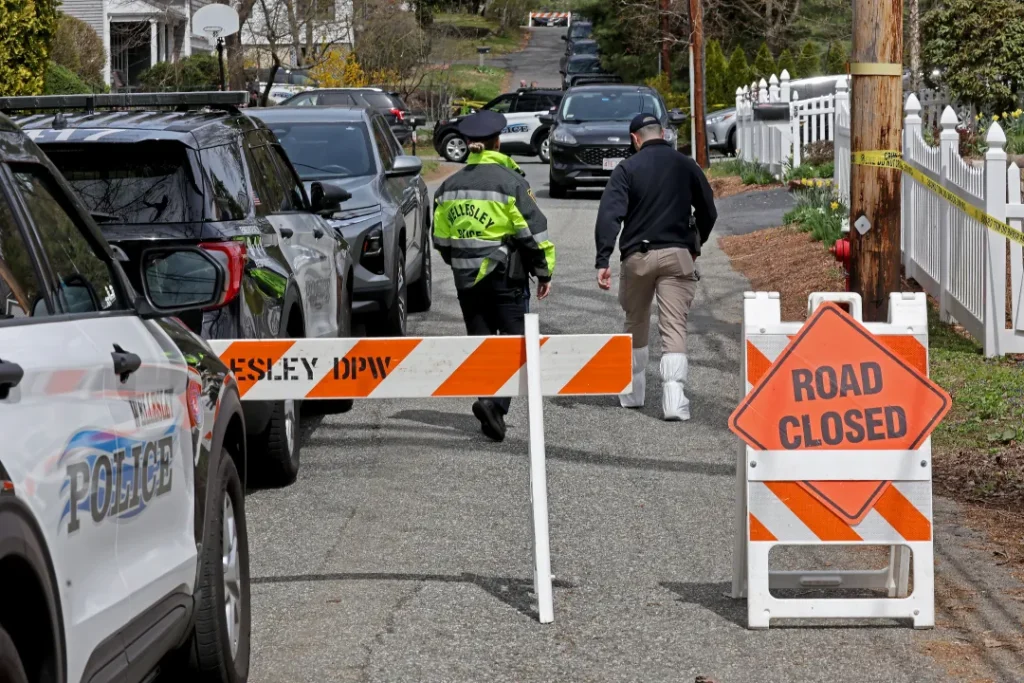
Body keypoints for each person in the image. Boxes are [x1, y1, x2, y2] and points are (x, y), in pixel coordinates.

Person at [433, 110, 556, 441]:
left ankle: (490, 404)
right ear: (496, 142)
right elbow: (534, 233)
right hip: (506, 277)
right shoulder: (510, 183)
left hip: (465, 281)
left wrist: (463, 260)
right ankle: (494, 404)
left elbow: (441, 241)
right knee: (516, 345)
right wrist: (543, 271)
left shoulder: (447, 188)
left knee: (482, 344)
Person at [594, 113, 717, 421]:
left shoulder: (627, 169)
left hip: (638, 257)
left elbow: (610, 215)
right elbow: (708, 209)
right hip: (677, 254)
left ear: (635, 139)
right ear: (663, 133)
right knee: (674, 326)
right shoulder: (686, 165)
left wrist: (603, 258)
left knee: (635, 320)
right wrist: (694, 242)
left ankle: (633, 393)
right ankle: (674, 399)